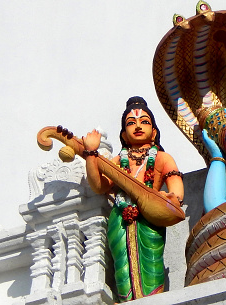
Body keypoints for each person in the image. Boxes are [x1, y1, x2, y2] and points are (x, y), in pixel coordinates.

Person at [83, 96, 184, 302]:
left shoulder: (162, 158)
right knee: (122, 264)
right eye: (131, 123)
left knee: (152, 261)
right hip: (120, 218)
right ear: (124, 135)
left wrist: (171, 197)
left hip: (149, 218)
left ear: (154, 132)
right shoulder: (118, 160)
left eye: (144, 121)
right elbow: (99, 186)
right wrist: (91, 153)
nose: (138, 126)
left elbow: (175, 185)